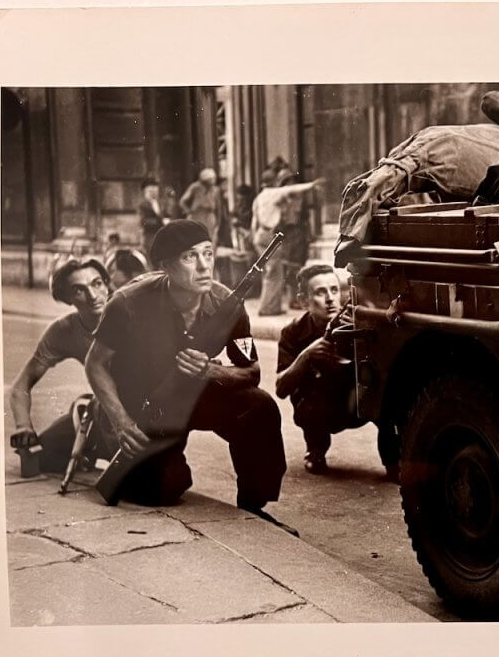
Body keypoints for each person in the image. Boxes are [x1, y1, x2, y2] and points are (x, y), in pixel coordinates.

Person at [84, 219, 286, 511]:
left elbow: (251, 371)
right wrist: (121, 423)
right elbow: (96, 364)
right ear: (166, 265)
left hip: (193, 396)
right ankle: (98, 435)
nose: (204, 266)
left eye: (208, 253)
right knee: (165, 488)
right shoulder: (128, 304)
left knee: (259, 406)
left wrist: (213, 372)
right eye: (190, 257)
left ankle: (253, 506)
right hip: (142, 404)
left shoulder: (227, 304)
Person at [275, 263, 399, 479]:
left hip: (358, 402)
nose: (330, 298)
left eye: (334, 290)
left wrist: (363, 334)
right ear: (303, 300)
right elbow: (281, 389)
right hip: (322, 406)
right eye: (320, 293)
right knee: (308, 405)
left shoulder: (356, 322)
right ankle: (316, 450)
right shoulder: (293, 333)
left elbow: (385, 369)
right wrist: (305, 356)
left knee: (390, 397)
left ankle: (393, 461)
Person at [8, 258, 117, 473]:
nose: (93, 296)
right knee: (41, 457)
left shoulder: (132, 314)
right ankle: (89, 453)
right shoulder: (64, 331)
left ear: (106, 284)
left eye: (97, 284)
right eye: (79, 290)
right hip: (101, 411)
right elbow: (20, 386)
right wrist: (23, 426)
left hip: (141, 412)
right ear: (67, 298)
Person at [251, 167, 323, 316]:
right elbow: (295, 189)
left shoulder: (260, 197)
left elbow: (254, 221)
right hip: (272, 234)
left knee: (271, 273)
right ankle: (268, 308)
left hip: (261, 234)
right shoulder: (274, 194)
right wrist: (312, 184)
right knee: (275, 274)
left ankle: (270, 306)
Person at [178, 167, 222, 242]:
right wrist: (188, 211)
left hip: (209, 218)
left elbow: (218, 207)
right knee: (195, 239)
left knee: (209, 240)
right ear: (205, 180)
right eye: (211, 179)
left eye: (213, 178)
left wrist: (218, 222)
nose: (213, 180)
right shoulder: (195, 187)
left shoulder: (215, 190)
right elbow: (182, 201)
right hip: (197, 217)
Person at [137, 178, 168, 259]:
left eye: (155, 192)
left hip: (163, 236)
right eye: (150, 192)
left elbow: (167, 215)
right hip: (150, 237)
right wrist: (161, 221)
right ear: (145, 193)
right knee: (151, 259)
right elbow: (144, 222)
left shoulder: (161, 204)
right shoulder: (142, 205)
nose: (153, 194)